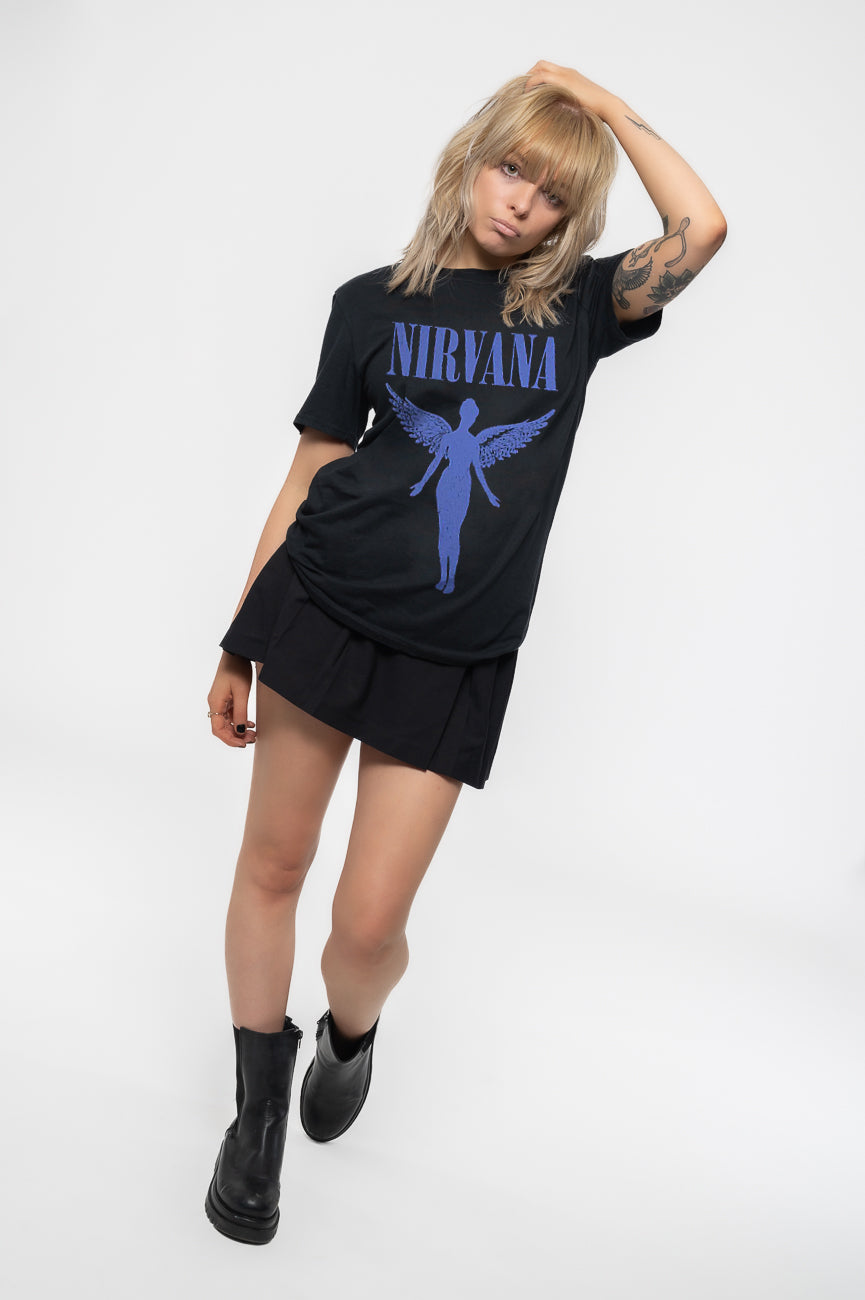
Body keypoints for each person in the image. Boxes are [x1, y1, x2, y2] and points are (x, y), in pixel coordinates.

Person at [203, 59, 727, 1245]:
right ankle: (254, 1121)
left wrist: (598, 106)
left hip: (454, 653)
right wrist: (238, 641)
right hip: (320, 607)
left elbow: (700, 228)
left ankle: (350, 1033)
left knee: (367, 926)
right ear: (469, 160)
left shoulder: (578, 309)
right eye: (509, 169)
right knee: (273, 867)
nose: (521, 203)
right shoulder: (370, 304)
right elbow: (310, 470)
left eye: (552, 192)